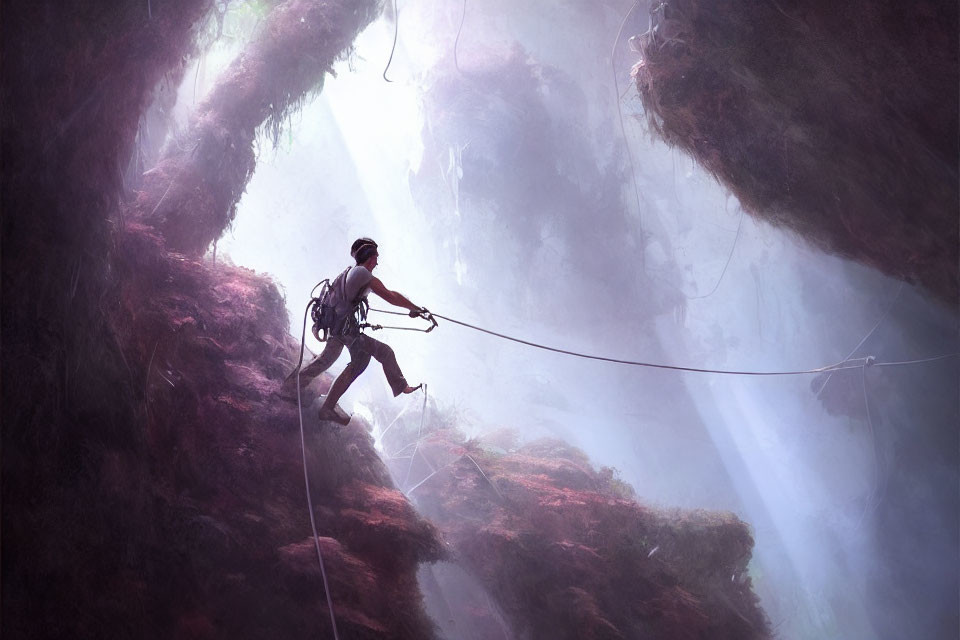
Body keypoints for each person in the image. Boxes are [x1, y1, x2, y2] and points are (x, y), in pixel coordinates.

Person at [284, 238, 423, 425]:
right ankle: (401, 386)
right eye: (376, 257)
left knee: (340, 360)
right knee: (384, 352)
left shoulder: (351, 273)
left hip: (338, 327)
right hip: (345, 329)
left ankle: (303, 394)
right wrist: (415, 309)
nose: (377, 262)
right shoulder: (363, 274)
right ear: (371, 258)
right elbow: (390, 296)